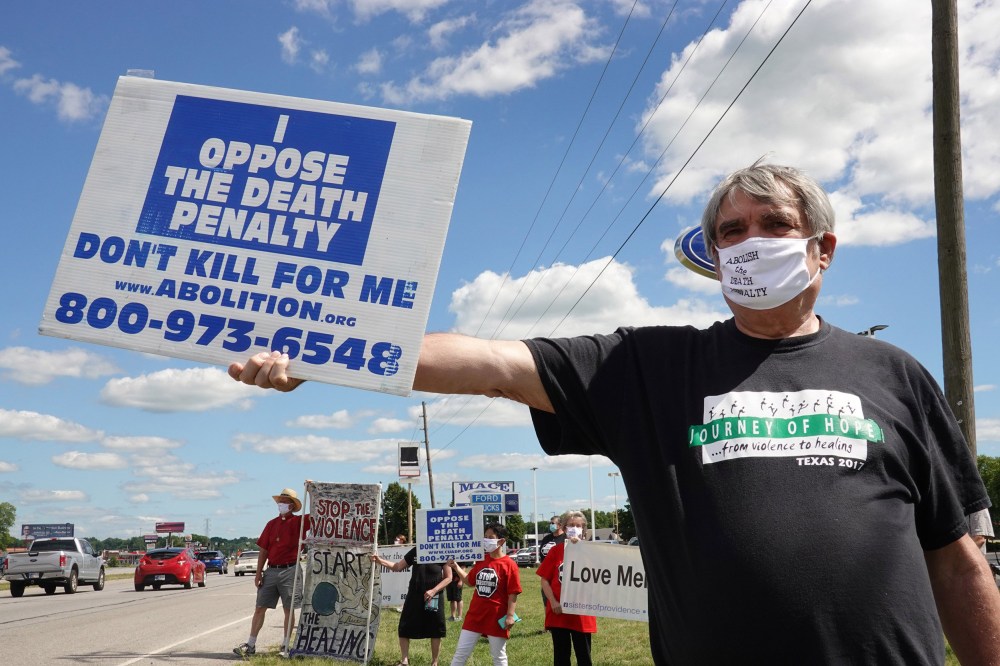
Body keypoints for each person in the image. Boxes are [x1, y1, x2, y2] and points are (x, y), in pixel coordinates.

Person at [229, 162, 1000, 664]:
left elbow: (957, 561)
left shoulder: (894, 375)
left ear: (822, 250)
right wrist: (328, 352)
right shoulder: (651, 367)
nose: (750, 243)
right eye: (731, 231)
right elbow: (494, 366)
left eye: (774, 226)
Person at [233, 487, 309, 658]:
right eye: (280, 501)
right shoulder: (271, 524)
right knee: (260, 607)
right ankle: (250, 645)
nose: (281, 504)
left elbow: (320, 513)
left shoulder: (300, 522)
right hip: (272, 570)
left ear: (292, 505)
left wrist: (311, 491)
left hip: (291, 569)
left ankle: (285, 645)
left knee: (289, 609)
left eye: (285, 501)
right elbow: (264, 550)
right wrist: (258, 572)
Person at [447, 523, 521, 666]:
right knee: (460, 654)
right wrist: (456, 566)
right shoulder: (481, 560)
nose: (486, 540)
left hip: (496, 616)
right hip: (475, 616)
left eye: (490, 537)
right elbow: (469, 581)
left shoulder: (509, 564)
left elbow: (513, 592)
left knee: (498, 656)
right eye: (485, 537)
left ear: (501, 541)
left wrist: (510, 616)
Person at [371, 545, 452, 666]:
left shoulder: (442, 551)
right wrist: (379, 560)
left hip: (433, 596)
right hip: (415, 594)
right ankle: (404, 661)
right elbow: (398, 566)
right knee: (404, 627)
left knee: (435, 629)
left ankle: (435, 662)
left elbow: (448, 578)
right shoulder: (416, 550)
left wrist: (434, 590)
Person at [537, 511, 597, 666]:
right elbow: (544, 580)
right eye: (571, 525)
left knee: (584, 656)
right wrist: (553, 601)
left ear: (584, 529)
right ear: (564, 528)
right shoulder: (555, 551)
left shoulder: (592, 552)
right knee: (561, 657)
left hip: (582, 612)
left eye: (578, 525)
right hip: (559, 612)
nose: (574, 528)